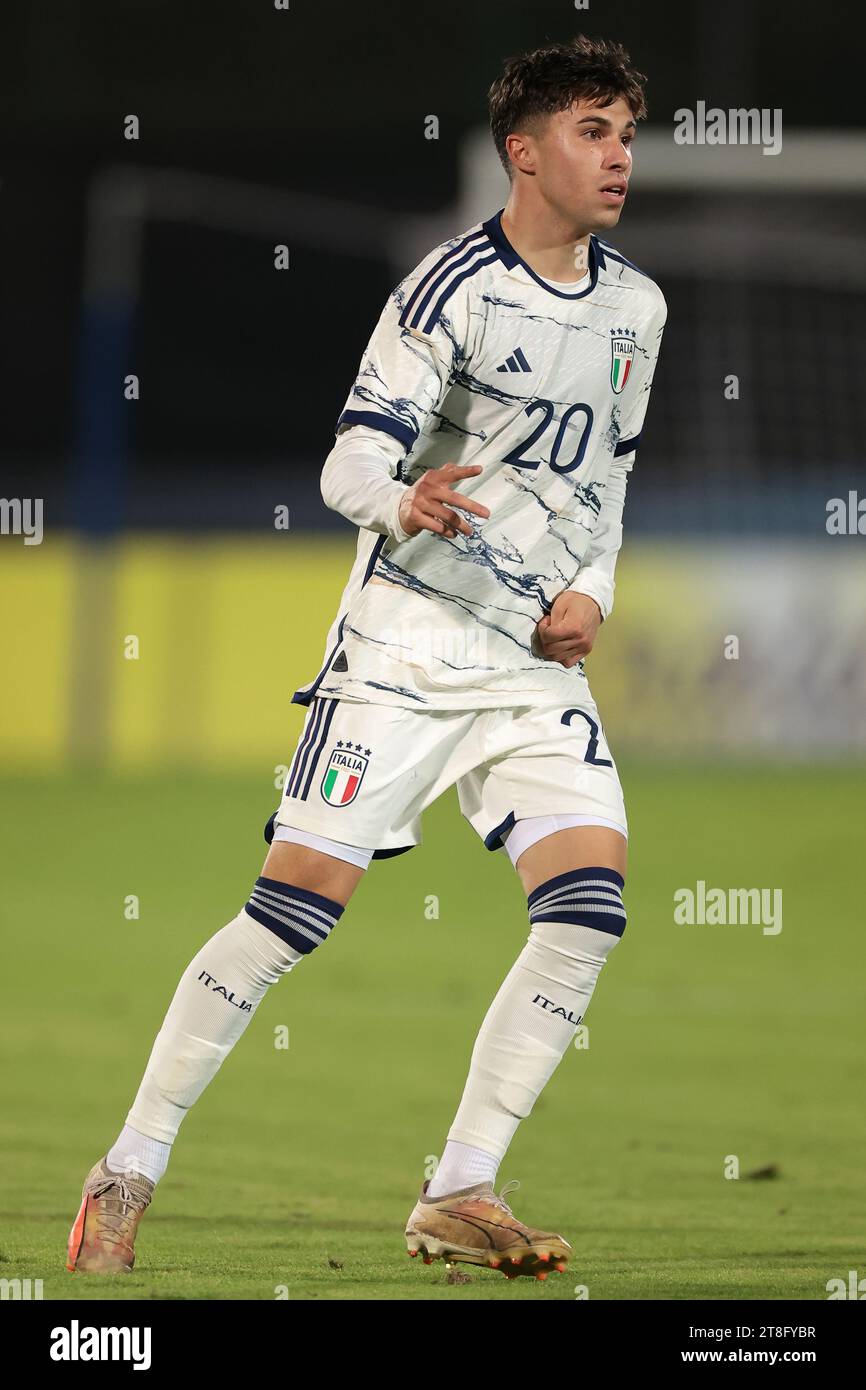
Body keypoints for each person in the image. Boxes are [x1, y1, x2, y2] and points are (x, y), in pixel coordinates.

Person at [67, 34, 666, 1282]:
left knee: (586, 909)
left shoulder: (636, 307)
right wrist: (404, 501)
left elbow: (604, 483)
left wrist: (589, 592)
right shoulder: (445, 290)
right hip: (403, 647)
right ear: (523, 152)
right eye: (592, 131)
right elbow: (345, 463)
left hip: (528, 670)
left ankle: (461, 1189)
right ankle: (129, 1165)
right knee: (290, 916)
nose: (617, 156)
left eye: (624, 131)